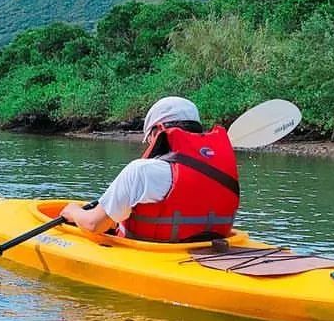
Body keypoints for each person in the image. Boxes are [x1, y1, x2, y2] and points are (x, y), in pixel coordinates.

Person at [60, 96, 238, 242]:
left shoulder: (142, 171)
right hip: (212, 252)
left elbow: (93, 225)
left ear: (157, 132)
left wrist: (73, 212)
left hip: (155, 257)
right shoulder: (226, 171)